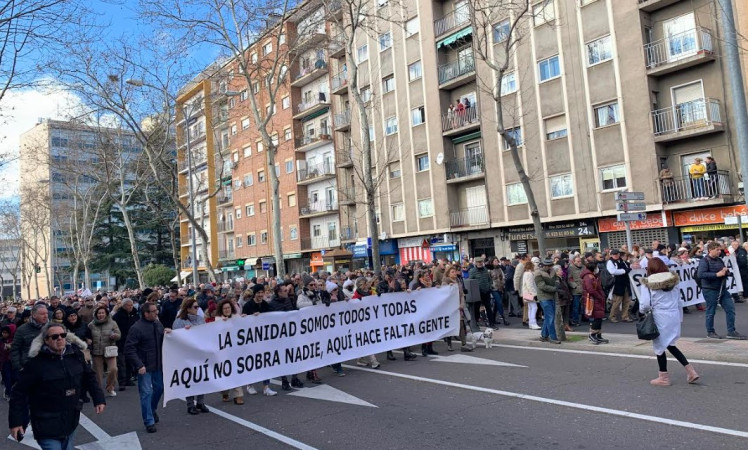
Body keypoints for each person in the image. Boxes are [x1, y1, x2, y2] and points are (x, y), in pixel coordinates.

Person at [8, 323, 106, 450]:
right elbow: (18, 393)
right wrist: (16, 422)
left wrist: (98, 398)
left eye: (62, 335)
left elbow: (89, 377)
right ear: (46, 340)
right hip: (46, 423)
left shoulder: (75, 355)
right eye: (54, 336)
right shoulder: (36, 363)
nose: (59, 338)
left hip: (71, 420)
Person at [639, 258, 700, 386]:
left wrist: (643, 311)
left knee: (660, 346)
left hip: (659, 315)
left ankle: (664, 376)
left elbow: (644, 304)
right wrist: (680, 318)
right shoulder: (674, 281)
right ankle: (690, 371)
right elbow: (679, 301)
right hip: (674, 314)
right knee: (670, 344)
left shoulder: (648, 283)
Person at [125, 303, 165, 433]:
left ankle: (152, 410)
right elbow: (129, 349)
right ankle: (149, 421)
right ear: (146, 313)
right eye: (153, 311)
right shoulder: (136, 328)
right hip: (144, 367)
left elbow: (164, 340)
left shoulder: (158, 324)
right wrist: (139, 365)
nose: (156, 313)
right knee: (146, 393)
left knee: (159, 389)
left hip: (158, 364)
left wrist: (169, 333)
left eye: (156, 310)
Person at [697, 242, 747, 339]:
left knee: (730, 309)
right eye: (717, 250)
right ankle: (710, 331)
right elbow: (701, 274)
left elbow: (722, 272)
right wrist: (716, 275)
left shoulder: (719, 260)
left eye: (720, 250)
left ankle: (731, 331)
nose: (719, 252)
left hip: (722, 289)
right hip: (710, 289)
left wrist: (726, 272)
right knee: (711, 311)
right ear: (710, 250)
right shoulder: (704, 261)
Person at [170, 298, 210, 415]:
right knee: (190, 379)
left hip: (200, 353)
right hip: (187, 355)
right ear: (188, 308)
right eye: (195, 307)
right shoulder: (179, 321)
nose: (198, 309)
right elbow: (176, 338)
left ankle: (201, 402)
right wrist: (185, 332)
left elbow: (206, 333)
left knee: (202, 378)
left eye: (198, 307)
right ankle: (190, 404)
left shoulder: (200, 319)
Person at [88, 306, 120, 397]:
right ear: (96, 314)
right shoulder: (91, 325)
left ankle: (110, 388)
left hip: (110, 350)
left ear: (106, 314)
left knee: (113, 369)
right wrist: (88, 340)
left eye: (103, 313)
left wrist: (115, 336)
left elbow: (119, 335)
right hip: (96, 351)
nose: (101, 315)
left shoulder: (112, 323)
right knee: (98, 373)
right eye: (99, 313)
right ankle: (98, 391)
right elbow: (87, 335)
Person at [11, 304, 49, 373]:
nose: (46, 316)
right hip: (29, 367)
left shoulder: (51, 327)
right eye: (42, 314)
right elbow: (15, 349)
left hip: (49, 366)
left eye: (46, 313)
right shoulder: (22, 330)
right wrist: (19, 367)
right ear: (34, 315)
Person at [112, 299, 139, 391]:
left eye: (131, 305)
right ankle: (122, 382)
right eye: (128, 305)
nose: (130, 307)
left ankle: (128, 379)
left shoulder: (135, 314)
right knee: (121, 363)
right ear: (123, 306)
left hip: (132, 341)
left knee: (129, 362)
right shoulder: (118, 316)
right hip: (121, 341)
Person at [582, 262, 609, 344]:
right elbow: (590, 289)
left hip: (597, 299)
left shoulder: (593, 276)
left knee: (599, 317)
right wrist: (599, 296)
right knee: (596, 317)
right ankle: (592, 334)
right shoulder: (588, 277)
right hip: (593, 299)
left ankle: (598, 335)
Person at [535, 259, 560, 344]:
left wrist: (557, 284)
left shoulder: (552, 271)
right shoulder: (538, 273)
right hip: (544, 297)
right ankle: (553, 337)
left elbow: (557, 279)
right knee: (550, 317)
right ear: (544, 265)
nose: (550, 267)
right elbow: (542, 286)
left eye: (551, 266)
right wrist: (554, 289)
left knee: (548, 317)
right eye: (549, 266)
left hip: (551, 296)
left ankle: (544, 335)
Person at [606, 249, 633, 323]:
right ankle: (612, 316)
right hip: (617, 283)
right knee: (617, 301)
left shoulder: (622, 261)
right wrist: (624, 271)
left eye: (617, 254)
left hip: (625, 283)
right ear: (611, 255)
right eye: (614, 254)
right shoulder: (610, 262)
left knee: (627, 301)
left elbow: (629, 267)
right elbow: (613, 271)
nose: (616, 255)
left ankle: (625, 316)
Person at [469, 257, 495, 327]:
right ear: (476, 263)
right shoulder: (472, 271)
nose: (480, 263)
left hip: (486, 292)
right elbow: (471, 282)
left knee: (488, 308)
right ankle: (476, 322)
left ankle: (491, 323)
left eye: (481, 262)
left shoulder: (485, 270)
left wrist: (489, 286)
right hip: (478, 292)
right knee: (476, 308)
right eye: (478, 262)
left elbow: (489, 279)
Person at [490, 257, 509, 326]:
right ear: (492, 262)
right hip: (493, 288)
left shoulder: (499, 269)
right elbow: (489, 279)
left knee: (496, 304)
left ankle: (493, 319)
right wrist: (491, 286)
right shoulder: (489, 270)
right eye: (495, 261)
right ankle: (504, 318)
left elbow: (503, 277)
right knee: (499, 302)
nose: (496, 262)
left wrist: (503, 284)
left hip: (500, 288)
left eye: (497, 261)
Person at [521, 261, 540, 330]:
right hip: (530, 293)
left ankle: (531, 323)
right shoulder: (529, 274)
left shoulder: (526, 273)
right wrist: (534, 294)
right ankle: (533, 323)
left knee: (531, 308)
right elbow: (530, 285)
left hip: (526, 293)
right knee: (534, 308)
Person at [567, 255, 584, 326]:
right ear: (574, 262)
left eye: (580, 261)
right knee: (576, 306)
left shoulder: (583, 267)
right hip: (576, 290)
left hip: (584, 289)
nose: (579, 262)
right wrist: (575, 286)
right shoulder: (571, 268)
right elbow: (569, 279)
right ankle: (575, 320)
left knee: (583, 305)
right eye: (578, 261)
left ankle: (584, 318)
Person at [0, 325, 15, 400]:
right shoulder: (1, 341)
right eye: (3, 332)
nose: (4, 334)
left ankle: (9, 390)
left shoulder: (14, 341)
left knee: (13, 377)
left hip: (12, 362)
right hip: (4, 362)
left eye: (6, 333)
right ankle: (8, 392)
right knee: (7, 378)